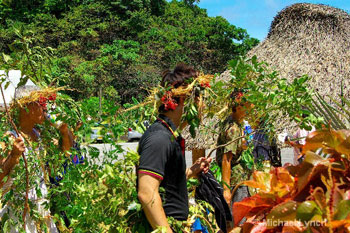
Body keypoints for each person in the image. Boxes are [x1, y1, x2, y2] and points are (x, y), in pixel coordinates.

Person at [137, 64, 212, 232]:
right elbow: (147, 192)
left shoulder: (170, 135)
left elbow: (165, 182)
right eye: (199, 99)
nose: (202, 106)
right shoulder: (160, 138)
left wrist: (192, 171)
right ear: (185, 99)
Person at [0, 85, 75, 232]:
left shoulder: (39, 134)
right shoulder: (9, 139)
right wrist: (13, 156)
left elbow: (66, 153)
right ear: (26, 108)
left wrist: (65, 133)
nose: (45, 108)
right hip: (19, 215)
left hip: (41, 210)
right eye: (40, 104)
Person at [216, 90, 252, 204]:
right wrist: (226, 189)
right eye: (246, 104)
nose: (249, 107)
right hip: (236, 182)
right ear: (238, 107)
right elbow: (226, 159)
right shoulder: (233, 129)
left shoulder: (234, 123)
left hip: (239, 180)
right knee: (239, 217)